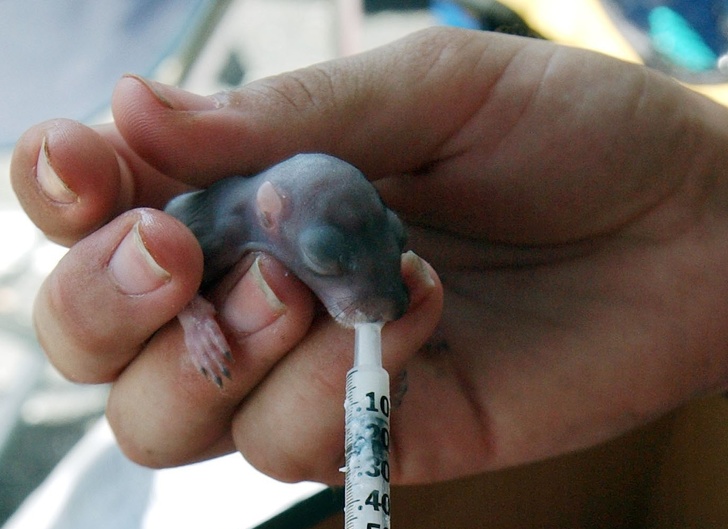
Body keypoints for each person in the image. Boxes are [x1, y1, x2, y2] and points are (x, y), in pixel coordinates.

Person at [11, 27, 728, 486]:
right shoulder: (206, 222)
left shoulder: (293, 216)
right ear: (271, 217)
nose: (381, 296)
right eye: (327, 258)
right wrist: (192, 314)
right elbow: (173, 272)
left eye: (391, 242)